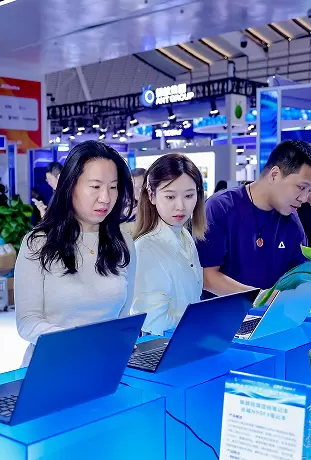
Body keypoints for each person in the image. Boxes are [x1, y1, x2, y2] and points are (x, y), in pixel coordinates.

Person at [15, 141, 136, 366]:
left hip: (106, 366)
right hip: (52, 366)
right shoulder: (38, 243)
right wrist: (80, 343)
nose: (106, 197)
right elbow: (27, 322)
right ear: (70, 186)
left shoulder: (124, 243)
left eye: (113, 187)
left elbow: (123, 316)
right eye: (95, 186)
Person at [197, 140, 311, 296]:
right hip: (224, 310)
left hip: (270, 310)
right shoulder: (220, 207)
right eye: (301, 187)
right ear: (274, 175)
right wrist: (261, 297)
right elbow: (207, 277)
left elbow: (299, 277)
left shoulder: (292, 221)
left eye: (310, 190)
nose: (304, 198)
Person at [131, 154, 206, 335]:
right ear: (152, 195)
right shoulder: (146, 248)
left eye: (189, 195)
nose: (180, 206)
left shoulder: (186, 236)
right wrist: (200, 326)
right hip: (166, 346)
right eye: (170, 197)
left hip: (189, 342)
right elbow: (153, 322)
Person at [122, 167, 147, 234]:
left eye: (141, 187)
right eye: (134, 188)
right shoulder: (124, 204)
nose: (137, 191)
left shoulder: (156, 204)